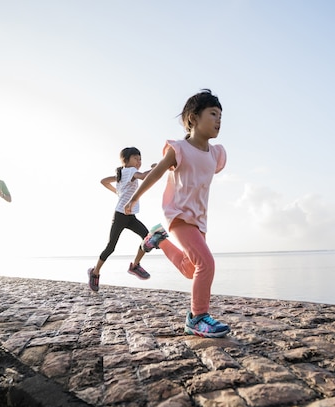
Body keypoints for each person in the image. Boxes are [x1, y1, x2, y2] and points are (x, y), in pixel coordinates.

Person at [124, 89, 230, 338]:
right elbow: (158, 173)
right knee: (207, 263)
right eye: (213, 114)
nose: (218, 120)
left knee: (190, 269)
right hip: (179, 216)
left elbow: (199, 171)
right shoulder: (179, 148)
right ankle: (198, 318)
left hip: (199, 220)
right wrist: (135, 197)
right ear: (192, 118)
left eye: (221, 116)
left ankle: (157, 238)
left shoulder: (216, 154)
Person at [87, 147, 157, 292]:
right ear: (126, 160)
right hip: (120, 215)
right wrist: (156, 168)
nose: (139, 161)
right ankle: (95, 272)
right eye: (136, 158)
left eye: (140, 159)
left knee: (147, 238)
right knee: (112, 246)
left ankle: (135, 266)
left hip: (129, 215)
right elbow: (144, 176)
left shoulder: (122, 173)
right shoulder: (130, 171)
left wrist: (118, 191)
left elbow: (103, 181)